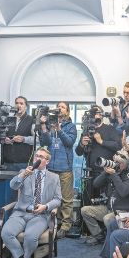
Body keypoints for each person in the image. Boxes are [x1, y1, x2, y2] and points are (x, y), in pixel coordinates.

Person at [0, 148, 62, 258]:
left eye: (41, 157)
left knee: (30, 236)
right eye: (36, 156)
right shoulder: (25, 172)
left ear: (47, 161)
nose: (37, 158)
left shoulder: (54, 177)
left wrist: (46, 206)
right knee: (6, 233)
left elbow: (58, 199)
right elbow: (13, 186)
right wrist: (22, 176)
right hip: (21, 212)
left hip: (41, 215)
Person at [79, 151, 129, 246]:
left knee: (107, 219)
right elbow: (95, 184)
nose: (117, 164)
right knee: (85, 210)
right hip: (109, 208)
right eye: (115, 162)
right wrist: (105, 173)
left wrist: (114, 175)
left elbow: (123, 191)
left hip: (121, 211)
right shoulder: (113, 172)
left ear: (126, 164)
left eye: (120, 163)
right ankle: (99, 236)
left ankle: (114, 241)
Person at [38, 102, 77, 238]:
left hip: (65, 168)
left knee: (66, 199)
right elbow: (45, 142)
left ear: (67, 111)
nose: (60, 109)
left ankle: (66, 226)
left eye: (63, 107)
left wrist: (59, 129)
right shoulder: (50, 124)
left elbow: (69, 142)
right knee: (52, 197)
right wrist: (43, 126)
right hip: (51, 168)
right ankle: (54, 222)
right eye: (58, 106)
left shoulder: (71, 126)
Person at [1, 96, 35, 172]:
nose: (18, 105)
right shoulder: (7, 119)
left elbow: (37, 139)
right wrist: (4, 139)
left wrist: (24, 139)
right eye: (16, 103)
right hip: (7, 162)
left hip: (24, 163)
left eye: (21, 103)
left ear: (26, 107)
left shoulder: (31, 120)